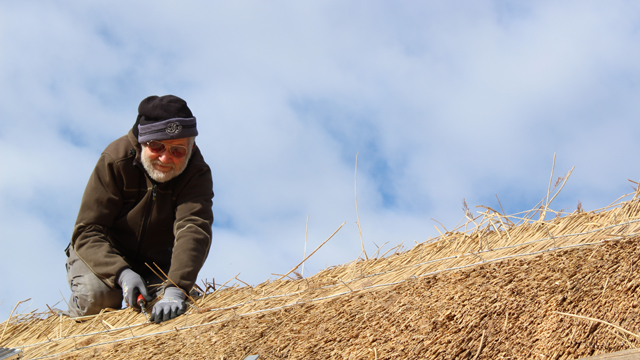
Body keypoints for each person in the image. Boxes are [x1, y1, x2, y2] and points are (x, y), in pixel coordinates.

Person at [65, 95, 214, 323]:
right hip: (103, 251)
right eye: (157, 146)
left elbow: (193, 227)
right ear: (143, 141)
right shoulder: (115, 159)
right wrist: (122, 273)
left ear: (190, 147)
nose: (165, 158)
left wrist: (176, 288)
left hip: (156, 265)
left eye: (178, 151)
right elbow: (87, 230)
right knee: (98, 298)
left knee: (182, 308)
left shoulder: (196, 173)